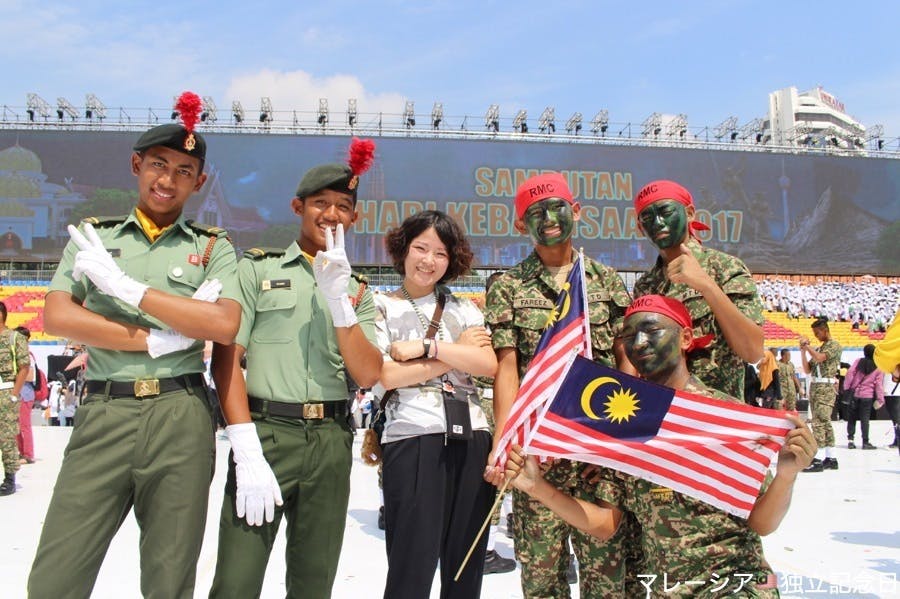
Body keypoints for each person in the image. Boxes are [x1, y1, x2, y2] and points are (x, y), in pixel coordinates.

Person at [28, 97, 243, 599]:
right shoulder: (93, 239)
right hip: (106, 411)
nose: (168, 180)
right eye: (158, 165)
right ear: (136, 165)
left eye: (184, 171)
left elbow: (223, 324)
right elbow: (57, 315)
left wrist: (126, 290)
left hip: (180, 415)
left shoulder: (213, 246)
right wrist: (155, 338)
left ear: (199, 183)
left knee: (169, 578)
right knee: (55, 579)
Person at [502, 295, 815, 598]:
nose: (638, 343)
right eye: (629, 335)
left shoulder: (721, 418)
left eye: (652, 330)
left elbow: (761, 523)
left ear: (685, 338)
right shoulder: (624, 428)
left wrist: (786, 476)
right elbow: (605, 524)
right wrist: (536, 486)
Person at [208, 140, 383, 599]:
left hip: (330, 441)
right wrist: (245, 445)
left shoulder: (357, 289)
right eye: (320, 203)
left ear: (355, 217)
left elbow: (368, 374)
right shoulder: (256, 269)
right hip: (265, 434)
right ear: (298, 207)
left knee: (313, 582)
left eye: (343, 206)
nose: (331, 215)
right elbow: (226, 359)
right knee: (236, 581)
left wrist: (340, 300)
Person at [484, 173, 641, 598]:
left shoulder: (607, 281)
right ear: (520, 224)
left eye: (557, 207)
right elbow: (507, 369)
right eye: (536, 212)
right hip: (538, 456)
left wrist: (619, 446)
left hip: (596, 454)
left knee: (606, 579)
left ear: (576, 211)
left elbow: (625, 366)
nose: (549, 218)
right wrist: (504, 444)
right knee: (542, 581)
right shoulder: (507, 287)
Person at [372, 210, 497, 598]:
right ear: (403, 249)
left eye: (440, 253)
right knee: (411, 565)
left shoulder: (465, 308)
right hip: (412, 435)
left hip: (473, 434)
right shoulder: (380, 305)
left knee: (465, 567)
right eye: (420, 248)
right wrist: (456, 353)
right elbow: (386, 375)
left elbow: (488, 364)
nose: (429, 260)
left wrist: (426, 347)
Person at [631, 179, 765, 400]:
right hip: (665, 410)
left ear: (690, 213)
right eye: (647, 218)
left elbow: (752, 351)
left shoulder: (724, 268)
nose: (658, 222)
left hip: (717, 411)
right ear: (640, 228)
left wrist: (706, 284)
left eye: (666, 212)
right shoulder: (645, 286)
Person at [799, 317, 843, 472]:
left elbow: (820, 358)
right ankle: (830, 457)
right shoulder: (819, 348)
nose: (816, 336)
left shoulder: (834, 345)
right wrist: (803, 352)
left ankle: (818, 459)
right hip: (817, 387)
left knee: (819, 422)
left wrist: (807, 347)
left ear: (825, 330)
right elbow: (807, 369)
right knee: (824, 423)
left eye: (818, 333)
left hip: (825, 387)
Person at [0, 302, 31, 496]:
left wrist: (14, 395)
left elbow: (24, 367)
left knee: (6, 437)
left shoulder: (14, 338)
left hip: (5, 392)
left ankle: (9, 479)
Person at [842, 344, 884, 450]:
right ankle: (865, 442)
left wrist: (847, 387)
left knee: (852, 418)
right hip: (867, 396)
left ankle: (851, 441)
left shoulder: (858, 361)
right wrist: (880, 399)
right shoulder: (878, 367)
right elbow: (879, 385)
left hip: (855, 394)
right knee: (865, 419)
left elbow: (850, 374)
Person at [14, 325, 36, 464]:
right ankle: (21, 452)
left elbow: (30, 376)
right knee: (17, 426)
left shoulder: (28, 355)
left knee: (24, 426)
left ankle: (28, 454)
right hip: (17, 394)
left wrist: (16, 375)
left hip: (25, 394)